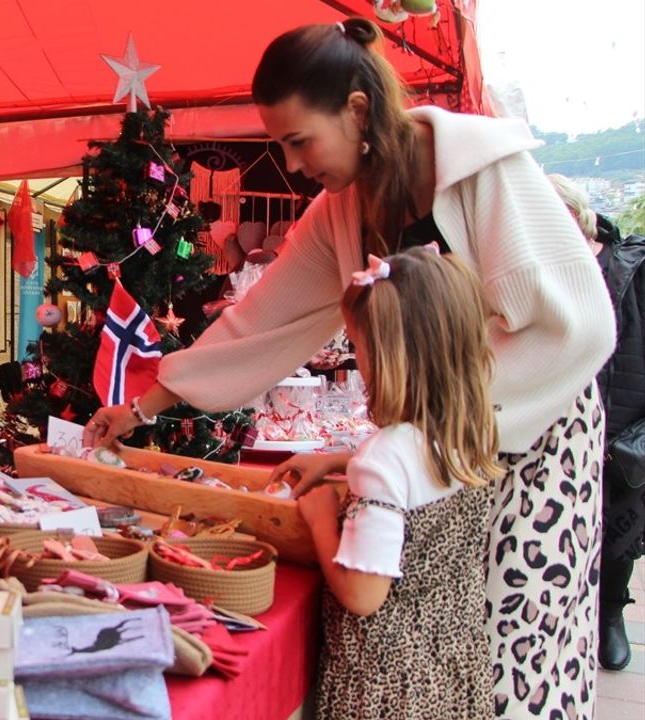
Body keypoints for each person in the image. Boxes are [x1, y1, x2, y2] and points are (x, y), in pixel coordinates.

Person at [84, 18, 615, 717]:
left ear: (358, 110)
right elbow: (259, 324)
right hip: (439, 443)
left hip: (529, 432)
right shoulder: (342, 210)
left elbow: (576, 326)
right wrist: (147, 404)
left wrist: (434, 432)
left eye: (299, 141)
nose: (294, 164)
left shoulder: (482, 171)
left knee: (516, 648)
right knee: (443, 638)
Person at [299, 247, 498, 718]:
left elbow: (362, 595)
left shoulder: (382, 460)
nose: (357, 363)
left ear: (391, 358)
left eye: (358, 348)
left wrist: (321, 517)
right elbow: (421, 479)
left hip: (387, 682)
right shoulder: (469, 428)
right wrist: (337, 463)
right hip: (450, 656)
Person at [550, 173, 645, 672]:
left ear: (573, 215)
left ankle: (611, 613)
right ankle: (573, 613)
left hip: (621, 414)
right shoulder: (544, 269)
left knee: (619, 526)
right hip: (560, 420)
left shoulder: (629, 265)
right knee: (565, 527)